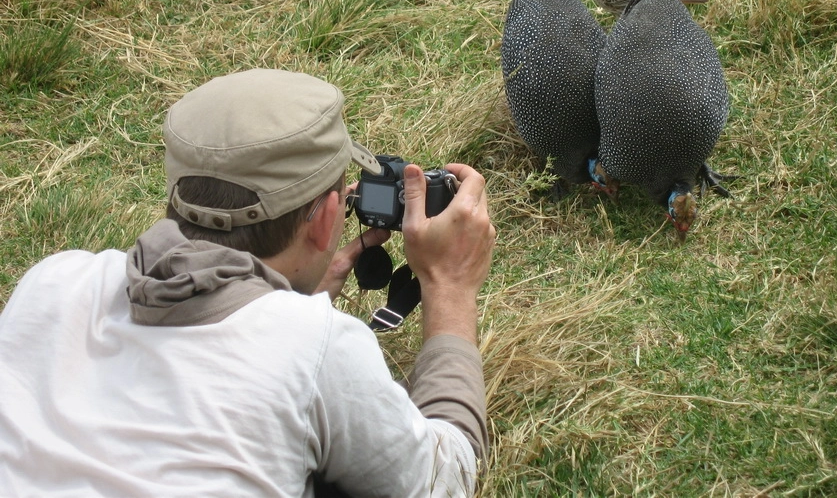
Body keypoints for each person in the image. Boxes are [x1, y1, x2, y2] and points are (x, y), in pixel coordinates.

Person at [0, 69, 496, 497]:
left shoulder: (52, 282)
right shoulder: (317, 348)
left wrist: (291, 295)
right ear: (327, 219)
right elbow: (444, 480)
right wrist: (449, 283)